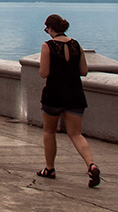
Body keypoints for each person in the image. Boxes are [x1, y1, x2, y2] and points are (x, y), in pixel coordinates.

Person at [37, 14, 100, 187]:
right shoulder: (76, 44)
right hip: (75, 94)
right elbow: (83, 71)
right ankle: (91, 164)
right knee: (76, 134)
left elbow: (44, 73)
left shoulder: (48, 46)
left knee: (49, 132)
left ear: (50, 28)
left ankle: (50, 169)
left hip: (53, 95)